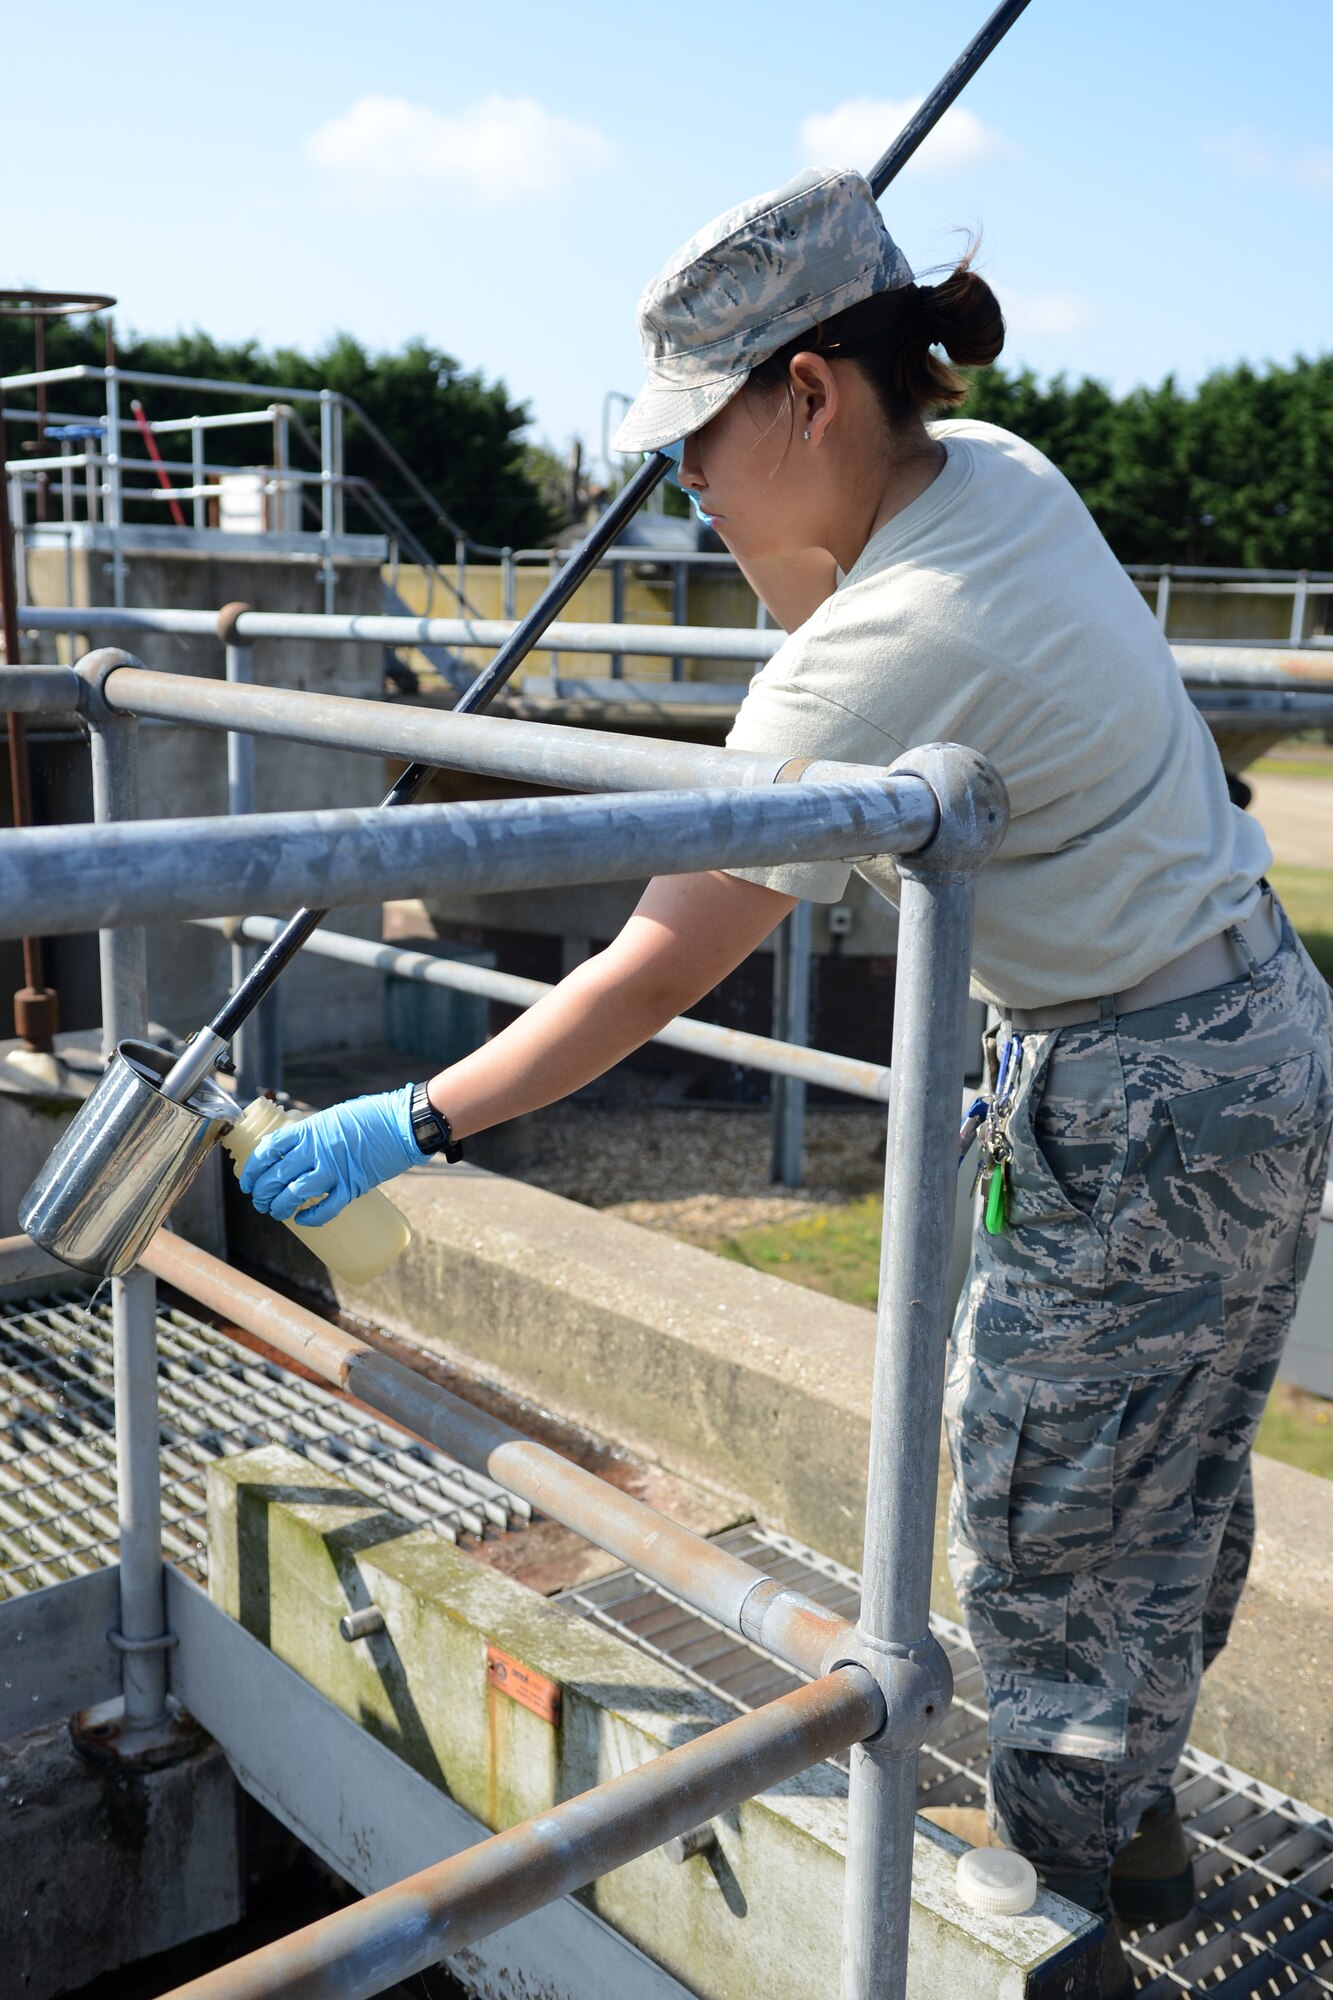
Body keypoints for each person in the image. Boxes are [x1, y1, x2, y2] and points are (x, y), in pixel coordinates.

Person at [239, 168, 1333, 1999]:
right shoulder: (1005, 479)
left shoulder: (869, 654)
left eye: (696, 446)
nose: (682, 490)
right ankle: (1132, 1811)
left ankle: (1051, 1918)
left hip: (1135, 1090)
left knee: (1035, 1519)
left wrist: (413, 1119)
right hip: (1258, 1027)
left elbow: (650, 964)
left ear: (810, 395)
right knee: (1176, 1460)